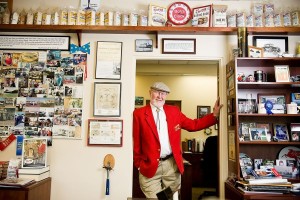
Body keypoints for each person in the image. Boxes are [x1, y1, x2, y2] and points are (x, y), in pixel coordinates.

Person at [132, 82, 223, 199]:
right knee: (155, 198)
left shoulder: (174, 111)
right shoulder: (138, 114)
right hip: (150, 166)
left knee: (169, 196)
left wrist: (214, 115)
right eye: (156, 92)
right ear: (150, 93)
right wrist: (138, 164)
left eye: (163, 93)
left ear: (166, 95)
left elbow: (193, 125)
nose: (160, 96)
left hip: (171, 165)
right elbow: (136, 142)